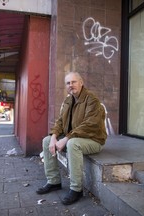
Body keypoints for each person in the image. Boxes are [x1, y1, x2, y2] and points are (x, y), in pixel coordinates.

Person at [36, 71, 107, 205]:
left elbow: (89, 125)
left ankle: (76, 189)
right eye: (68, 83)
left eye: (73, 82)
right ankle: (53, 181)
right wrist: (54, 136)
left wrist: (66, 138)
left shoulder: (92, 100)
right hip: (75, 137)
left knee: (73, 144)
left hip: (94, 139)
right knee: (46, 141)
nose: (71, 85)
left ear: (81, 83)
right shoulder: (68, 100)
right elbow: (60, 122)